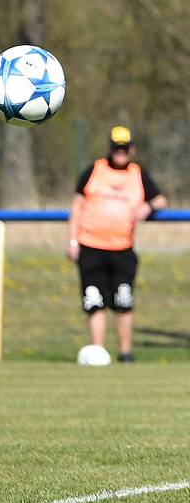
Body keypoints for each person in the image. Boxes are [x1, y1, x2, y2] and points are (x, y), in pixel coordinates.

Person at [67, 126, 167, 362]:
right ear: (109, 149)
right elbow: (76, 205)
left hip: (122, 248)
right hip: (90, 245)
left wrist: (149, 207)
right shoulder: (94, 169)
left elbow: (161, 199)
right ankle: (98, 353)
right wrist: (72, 240)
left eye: (124, 148)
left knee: (123, 301)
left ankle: (125, 353)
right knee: (94, 301)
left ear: (131, 150)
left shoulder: (138, 174)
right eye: (116, 148)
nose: (120, 153)